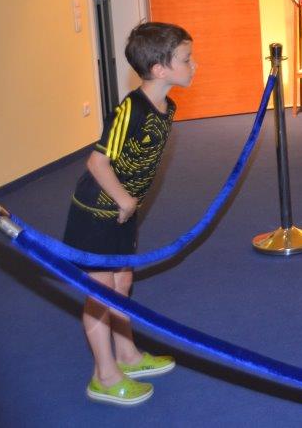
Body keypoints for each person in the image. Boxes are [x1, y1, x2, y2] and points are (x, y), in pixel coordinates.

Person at [63, 22, 196, 405]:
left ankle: (127, 355)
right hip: (96, 212)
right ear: (159, 69)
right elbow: (97, 162)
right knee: (101, 293)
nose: (194, 65)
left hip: (123, 210)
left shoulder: (166, 106)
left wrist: (128, 204)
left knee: (122, 284)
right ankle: (103, 376)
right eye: (186, 59)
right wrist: (124, 200)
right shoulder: (130, 110)